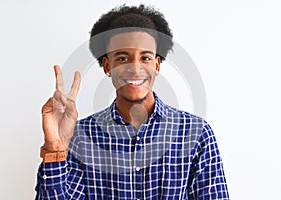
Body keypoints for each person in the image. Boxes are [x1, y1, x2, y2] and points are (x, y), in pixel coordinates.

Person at [35, 4, 229, 200]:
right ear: (107, 66)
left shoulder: (196, 133)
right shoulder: (79, 137)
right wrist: (55, 147)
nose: (135, 68)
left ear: (157, 65)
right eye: (122, 58)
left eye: (145, 58)